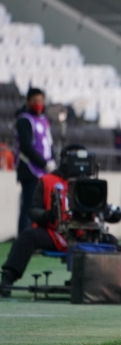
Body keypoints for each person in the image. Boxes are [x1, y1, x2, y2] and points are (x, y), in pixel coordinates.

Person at [0, 144, 121, 297]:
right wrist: (48, 215)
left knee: (112, 242)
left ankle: (112, 285)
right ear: (64, 160)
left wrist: (110, 213)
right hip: (56, 233)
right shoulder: (47, 181)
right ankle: (7, 279)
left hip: (87, 235)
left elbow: (103, 209)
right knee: (28, 236)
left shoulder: (91, 184)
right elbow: (34, 210)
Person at [14, 87, 55, 235]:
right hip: (30, 170)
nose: (38, 104)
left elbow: (49, 143)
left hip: (44, 172)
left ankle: (37, 237)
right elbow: (26, 146)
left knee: (42, 207)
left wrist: (53, 161)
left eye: (41, 100)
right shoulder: (24, 120)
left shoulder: (44, 120)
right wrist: (44, 163)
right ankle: (23, 238)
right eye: (35, 101)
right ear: (28, 101)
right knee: (28, 207)